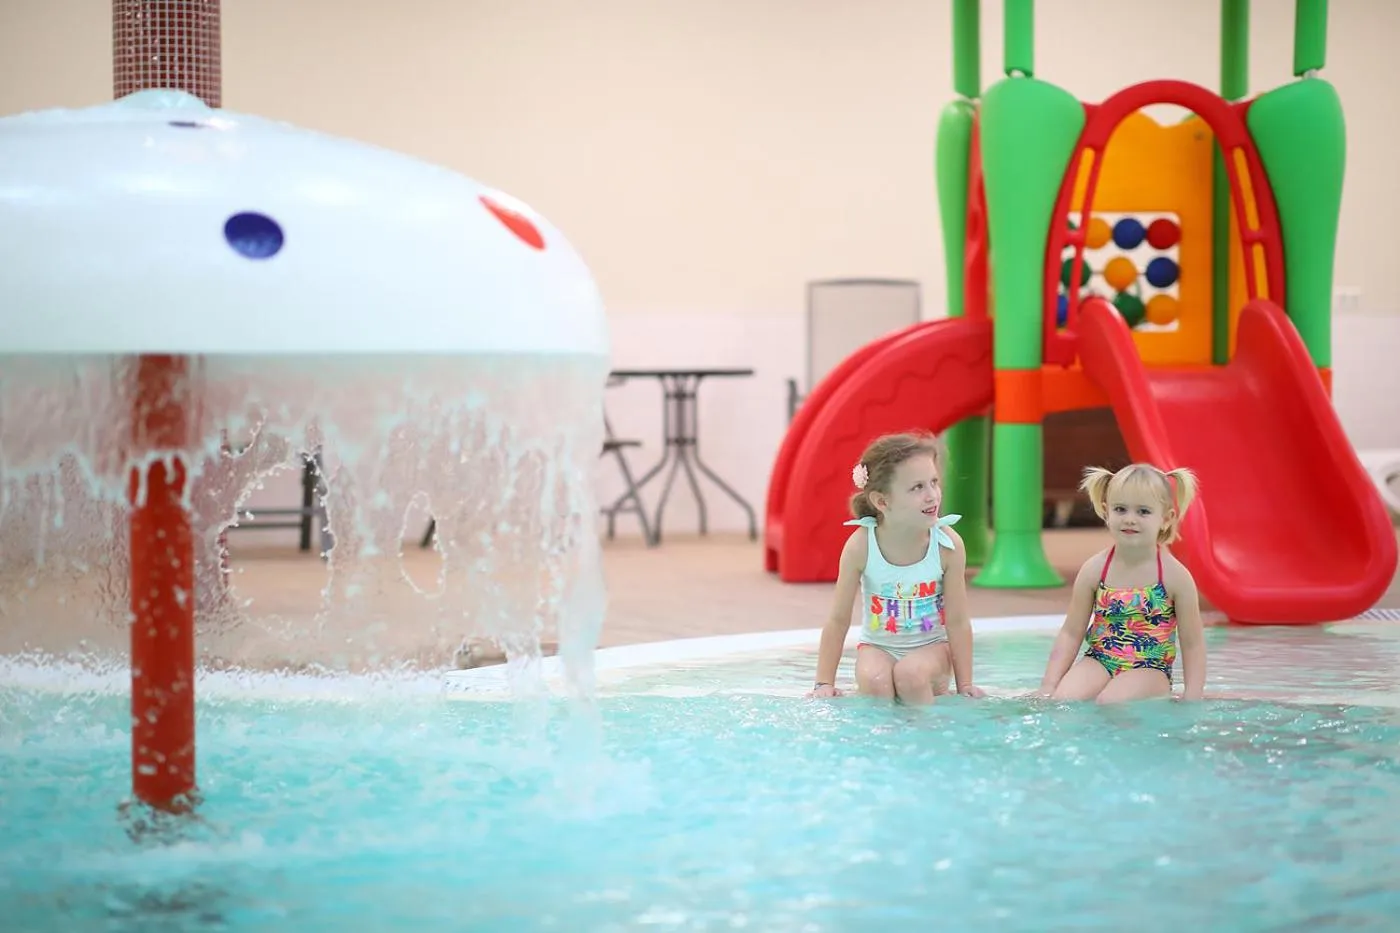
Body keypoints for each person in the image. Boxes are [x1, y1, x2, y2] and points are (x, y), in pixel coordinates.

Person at [807, 431, 984, 704]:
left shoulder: (947, 545)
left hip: (932, 649)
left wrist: (966, 685)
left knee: (911, 675)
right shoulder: (861, 546)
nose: (932, 495)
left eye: (934, 482)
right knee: (876, 680)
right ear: (882, 501)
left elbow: (958, 620)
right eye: (917, 487)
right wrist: (823, 683)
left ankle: (925, 728)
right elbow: (838, 619)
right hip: (878, 647)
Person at [1037, 462, 1207, 703]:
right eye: (1120, 509)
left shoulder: (1174, 577)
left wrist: (1193, 696)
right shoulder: (1095, 570)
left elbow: (1193, 644)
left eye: (1143, 512)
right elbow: (1071, 632)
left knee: (1112, 701)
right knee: (1063, 699)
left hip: (1150, 668)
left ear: (1166, 519)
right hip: (1100, 660)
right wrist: (1049, 686)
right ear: (1106, 512)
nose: (1130, 519)